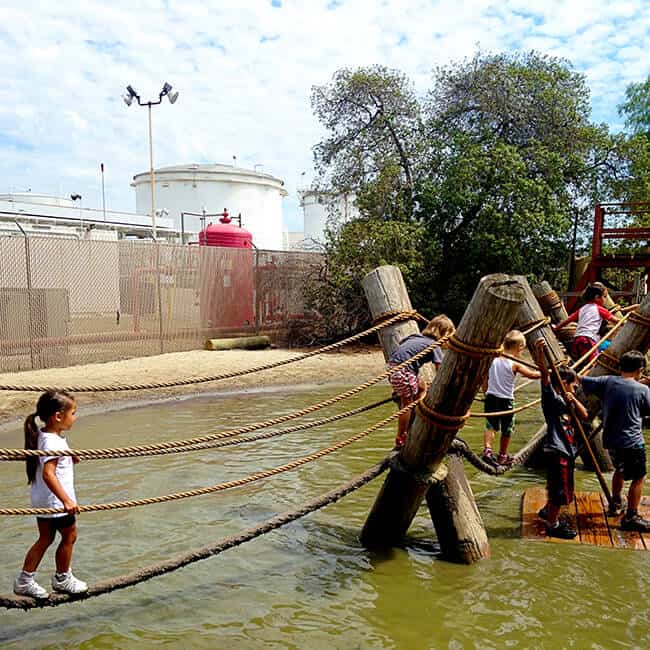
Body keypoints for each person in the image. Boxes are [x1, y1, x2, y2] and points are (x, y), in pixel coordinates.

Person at [13, 391, 88, 599]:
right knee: (70, 535)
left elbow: (51, 458)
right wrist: (66, 500)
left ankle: (24, 580)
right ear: (58, 416)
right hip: (55, 502)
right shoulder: (52, 442)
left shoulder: (45, 436)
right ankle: (63, 578)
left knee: (45, 538)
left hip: (43, 500)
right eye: (73, 413)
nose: (75, 417)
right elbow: (48, 473)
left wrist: (69, 454)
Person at [581, 350, 650, 532]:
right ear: (640, 369)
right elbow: (645, 411)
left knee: (619, 469)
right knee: (639, 477)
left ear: (621, 367)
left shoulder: (608, 381)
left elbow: (580, 379)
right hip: (632, 441)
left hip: (611, 439)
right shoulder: (643, 390)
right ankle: (631, 516)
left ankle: (616, 501)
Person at [534, 339, 588, 539]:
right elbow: (544, 376)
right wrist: (541, 354)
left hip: (568, 449)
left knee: (561, 487)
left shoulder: (568, 401)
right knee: (559, 490)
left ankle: (547, 511)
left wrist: (573, 400)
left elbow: (584, 416)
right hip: (558, 449)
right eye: (573, 387)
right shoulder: (552, 398)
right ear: (564, 384)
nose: (574, 390)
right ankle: (552, 524)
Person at [387, 314, 455, 448]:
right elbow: (440, 370)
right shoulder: (434, 345)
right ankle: (401, 436)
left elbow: (403, 345)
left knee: (422, 386)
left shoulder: (415, 337)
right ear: (444, 334)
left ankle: (419, 407)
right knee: (406, 404)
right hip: (404, 372)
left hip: (392, 368)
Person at [481, 330, 541, 466]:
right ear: (519, 347)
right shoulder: (514, 363)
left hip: (491, 397)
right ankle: (502, 455)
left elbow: (484, 378)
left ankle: (487, 450)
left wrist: (486, 391)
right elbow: (532, 375)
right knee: (507, 429)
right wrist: (546, 372)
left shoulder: (493, 359)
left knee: (490, 426)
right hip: (506, 400)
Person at [553, 285, 619, 361]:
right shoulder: (599, 309)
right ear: (597, 297)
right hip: (588, 339)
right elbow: (615, 320)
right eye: (604, 297)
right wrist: (626, 321)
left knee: (583, 362)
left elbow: (568, 320)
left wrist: (556, 328)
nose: (605, 299)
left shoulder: (582, 309)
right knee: (593, 363)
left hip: (577, 340)